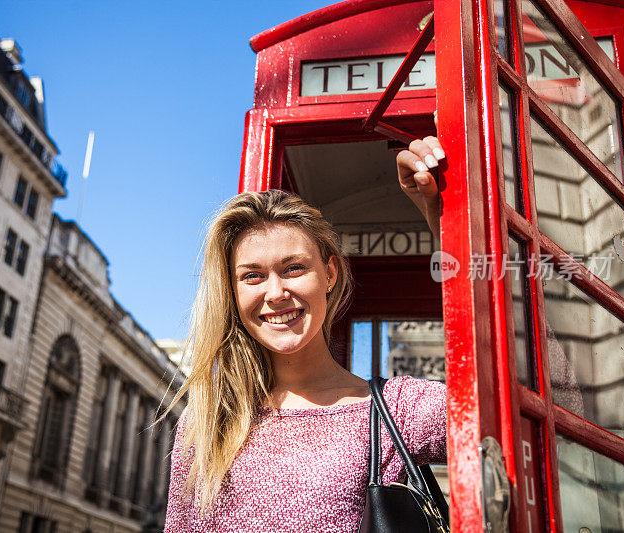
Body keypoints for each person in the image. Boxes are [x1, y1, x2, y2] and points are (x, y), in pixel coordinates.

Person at [163, 135, 448, 533]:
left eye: (294, 268)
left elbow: (531, 394)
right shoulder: (208, 418)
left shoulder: (396, 411)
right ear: (233, 291)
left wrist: (449, 222)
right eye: (252, 276)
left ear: (329, 274)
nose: (276, 293)